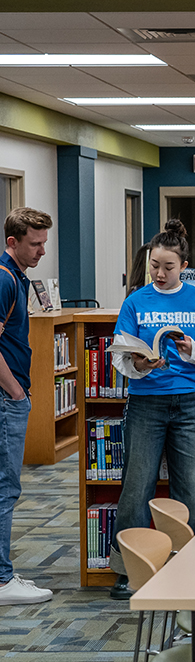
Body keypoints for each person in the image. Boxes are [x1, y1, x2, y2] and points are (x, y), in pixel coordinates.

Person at [108, 219, 195, 599]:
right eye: (154, 265)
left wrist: (194, 351)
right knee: (137, 485)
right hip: (145, 403)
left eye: (168, 266)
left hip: (187, 403)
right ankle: (129, 569)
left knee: (187, 486)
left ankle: (186, 562)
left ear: (183, 266)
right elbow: (120, 356)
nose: (159, 273)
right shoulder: (136, 301)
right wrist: (140, 365)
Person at [0, 207, 54, 606]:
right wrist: (16, 391)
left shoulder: (17, 276)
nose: (41, 252)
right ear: (12, 242)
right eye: (34, 244)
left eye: (44, 244)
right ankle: (2, 580)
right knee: (6, 488)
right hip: (6, 398)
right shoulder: (3, 280)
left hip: (10, 396)